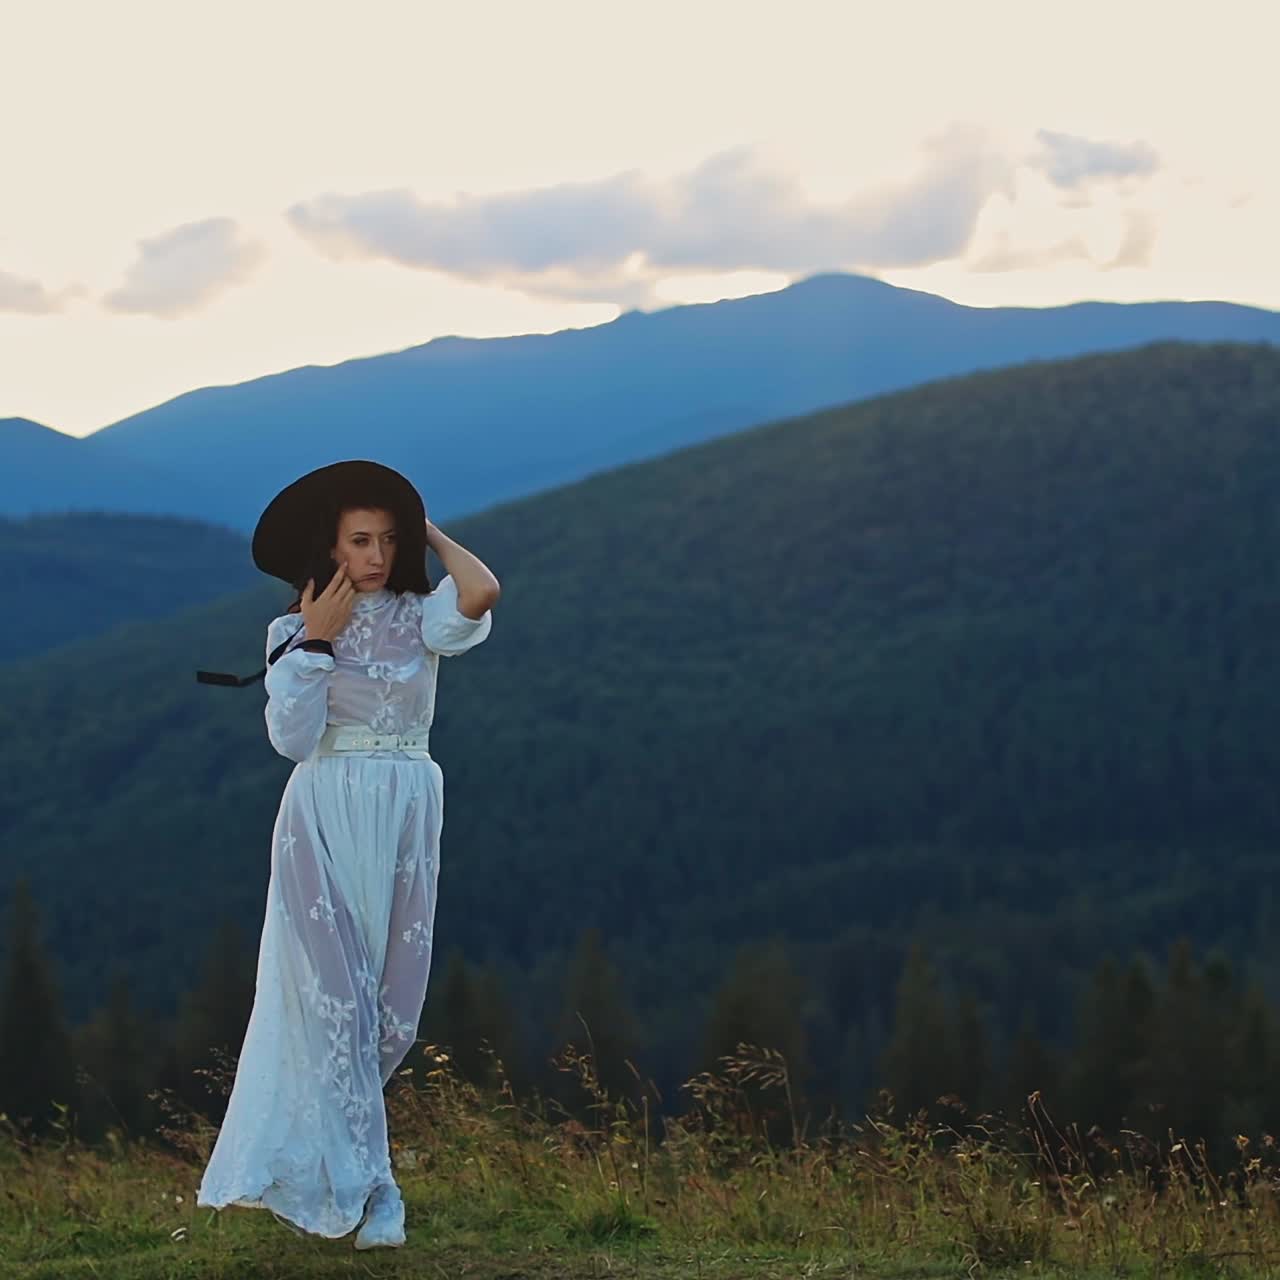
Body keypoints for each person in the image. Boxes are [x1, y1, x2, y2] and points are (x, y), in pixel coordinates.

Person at [194, 459, 500, 1250]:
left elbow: (481, 591)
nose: (376, 555)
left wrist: (426, 527)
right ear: (329, 547)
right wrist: (319, 642)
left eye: (388, 539)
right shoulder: (292, 632)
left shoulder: (421, 615)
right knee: (339, 1006)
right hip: (324, 811)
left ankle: (327, 1165)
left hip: (406, 811)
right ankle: (379, 1191)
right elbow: (293, 740)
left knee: (393, 1015)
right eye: (360, 540)